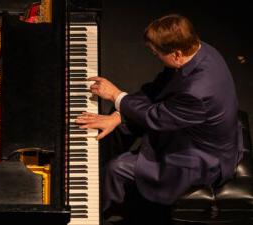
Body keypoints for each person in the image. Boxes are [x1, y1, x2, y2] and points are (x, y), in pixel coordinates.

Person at [76, 14, 243, 224]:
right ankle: (92, 166)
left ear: (176, 54)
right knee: (118, 122)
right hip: (185, 124)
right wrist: (118, 115)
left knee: (116, 168)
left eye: (156, 53)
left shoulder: (198, 92)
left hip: (201, 157)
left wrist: (116, 95)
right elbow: (158, 89)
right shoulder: (201, 51)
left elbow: (155, 117)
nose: (154, 55)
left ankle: (97, 212)